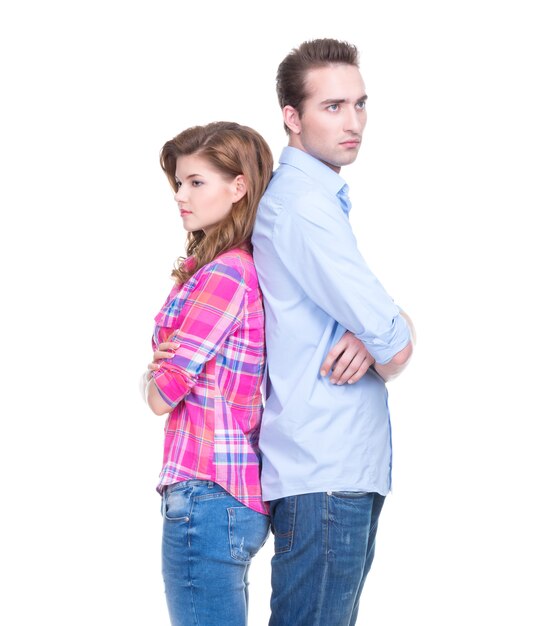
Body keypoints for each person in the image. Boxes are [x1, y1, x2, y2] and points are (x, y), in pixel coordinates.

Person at [252, 38, 416, 625]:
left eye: (360, 104)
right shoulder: (302, 207)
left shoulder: (316, 200)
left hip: (332, 468)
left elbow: (384, 333)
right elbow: (393, 345)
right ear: (291, 118)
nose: (354, 123)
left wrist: (381, 330)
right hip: (324, 470)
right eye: (332, 107)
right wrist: (385, 333)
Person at [141, 121, 273, 626]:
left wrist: (151, 375)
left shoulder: (226, 273)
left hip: (206, 491)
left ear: (238, 187)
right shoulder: (229, 268)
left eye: (196, 182)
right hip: (224, 496)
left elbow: (162, 394)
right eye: (179, 182)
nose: (180, 195)